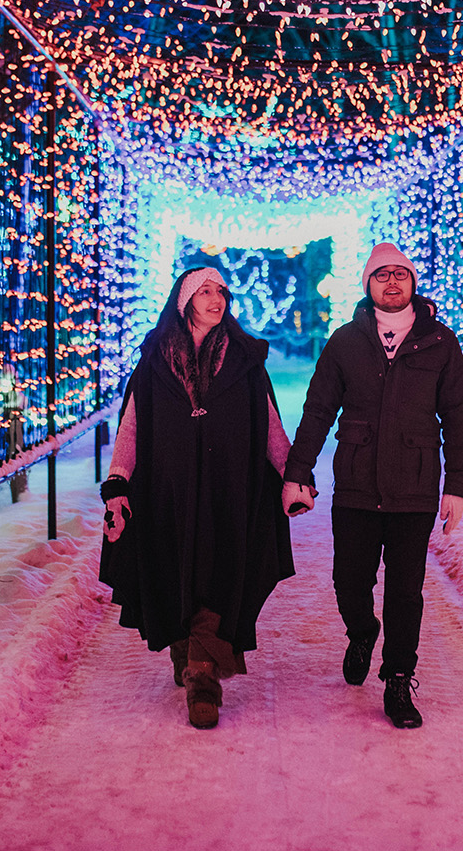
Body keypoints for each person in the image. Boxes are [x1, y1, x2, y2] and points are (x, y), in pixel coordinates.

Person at [280, 243, 463, 729]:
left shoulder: (440, 343)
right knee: (349, 580)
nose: (392, 283)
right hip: (356, 484)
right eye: (381, 275)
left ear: (413, 284)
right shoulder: (346, 342)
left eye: (400, 275)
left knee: (406, 590)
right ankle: (362, 631)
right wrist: (297, 472)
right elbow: (319, 411)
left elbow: (458, 419)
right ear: (367, 285)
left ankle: (397, 678)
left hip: (414, 485)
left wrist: (458, 485)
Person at [98, 267, 296, 729]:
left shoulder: (245, 359)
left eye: (221, 291)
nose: (215, 299)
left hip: (231, 491)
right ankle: (185, 648)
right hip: (167, 492)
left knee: (219, 574)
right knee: (175, 573)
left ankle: (203, 679)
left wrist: (291, 474)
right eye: (204, 292)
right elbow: (132, 424)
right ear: (184, 300)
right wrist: (118, 481)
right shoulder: (154, 361)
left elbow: (268, 424)